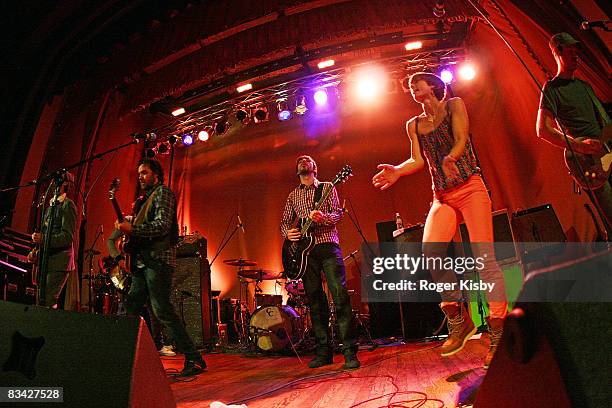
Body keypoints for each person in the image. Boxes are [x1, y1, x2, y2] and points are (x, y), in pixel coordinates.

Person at [372, 73, 507, 368]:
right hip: (442, 196)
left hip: (470, 187)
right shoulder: (413, 125)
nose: (412, 88)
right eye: (409, 87)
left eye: (416, 83)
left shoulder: (454, 105)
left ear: (432, 85)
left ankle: (499, 330)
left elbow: (460, 139)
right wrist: (397, 170)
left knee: (485, 259)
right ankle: (459, 317)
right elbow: (418, 160)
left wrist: (451, 158)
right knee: (431, 253)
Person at [113, 158, 205, 376]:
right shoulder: (144, 200)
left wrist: (132, 230)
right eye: (139, 174)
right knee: (131, 307)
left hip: (158, 261)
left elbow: (162, 226)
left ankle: (194, 357)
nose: (141, 177)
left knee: (162, 310)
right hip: (143, 263)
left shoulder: (163, 193)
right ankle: (126, 357)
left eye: (145, 172)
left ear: (157, 174)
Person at [280, 155, 360, 369]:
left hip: (327, 245)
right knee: (315, 302)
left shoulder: (327, 187)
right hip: (306, 254)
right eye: (300, 161)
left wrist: (322, 217)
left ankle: (350, 352)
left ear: (315, 168)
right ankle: (323, 352)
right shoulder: (293, 195)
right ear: (297, 170)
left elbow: (337, 214)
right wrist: (288, 234)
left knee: (339, 296)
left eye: (308, 160)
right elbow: (284, 223)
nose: (304, 162)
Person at [536, 32, 611, 230]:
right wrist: (580, 146)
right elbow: (542, 130)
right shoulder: (552, 89)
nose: (576, 55)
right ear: (557, 51)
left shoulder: (585, 86)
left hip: (606, 154)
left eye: (577, 51)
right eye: (570, 51)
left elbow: (605, 124)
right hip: (589, 162)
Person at [29, 172, 77, 308]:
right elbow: (46, 233)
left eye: (57, 181)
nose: (51, 184)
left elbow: (68, 237)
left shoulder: (68, 205)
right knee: (40, 300)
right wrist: (36, 250)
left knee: (48, 301)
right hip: (46, 260)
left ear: (65, 184)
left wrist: (43, 239)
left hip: (59, 262)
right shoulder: (50, 205)